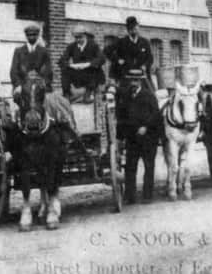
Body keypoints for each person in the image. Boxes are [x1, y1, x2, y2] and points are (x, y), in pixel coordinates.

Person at [116, 69, 161, 204]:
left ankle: (147, 196)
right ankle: (130, 196)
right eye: (131, 80)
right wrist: (120, 136)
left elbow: (156, 115)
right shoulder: (126, 96)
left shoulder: (149, 95)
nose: (133, 83)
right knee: (130, 167)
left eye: (136, 80)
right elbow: (121, 116)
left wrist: (146, 127)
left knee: (149, 166)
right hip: (132, 138)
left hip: (148, 138)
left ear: (140, 80)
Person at [59, 24, 105, 103]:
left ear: (85, 36)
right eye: (76, 37)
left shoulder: (93, 46)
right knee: (65, 71)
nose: (78, 40)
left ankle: (88, 94)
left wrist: (88, 64)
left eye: (80, 37)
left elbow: (102, 58)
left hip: (90, 75)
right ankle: (67, 94)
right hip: (78, 75)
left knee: (95, 70)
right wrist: (72, 65)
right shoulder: (71, 47)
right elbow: (62, 60)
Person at [10, 24, 53, 95]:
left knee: (48, 100)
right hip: (23, 84)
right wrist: (18, 85)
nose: (31, 37)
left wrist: (44, 82)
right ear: (26, 36)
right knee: (18, 97)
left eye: (34, 35)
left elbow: (49, 71)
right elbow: (13, 71)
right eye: (29, 35)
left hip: (40, 83)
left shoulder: (44, 51)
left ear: (37, 36)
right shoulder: (19, 51)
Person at [116, 16, 153, 90]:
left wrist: (145, 66)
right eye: (131, 29)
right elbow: (115, 55)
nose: (134, 31)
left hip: (143, 77)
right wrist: (119, 60)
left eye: (136, 28)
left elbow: (150, 58)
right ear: (128, 30)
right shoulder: (122, 42)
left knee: (149, 95)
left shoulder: (145, 42)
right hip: (127, 76)